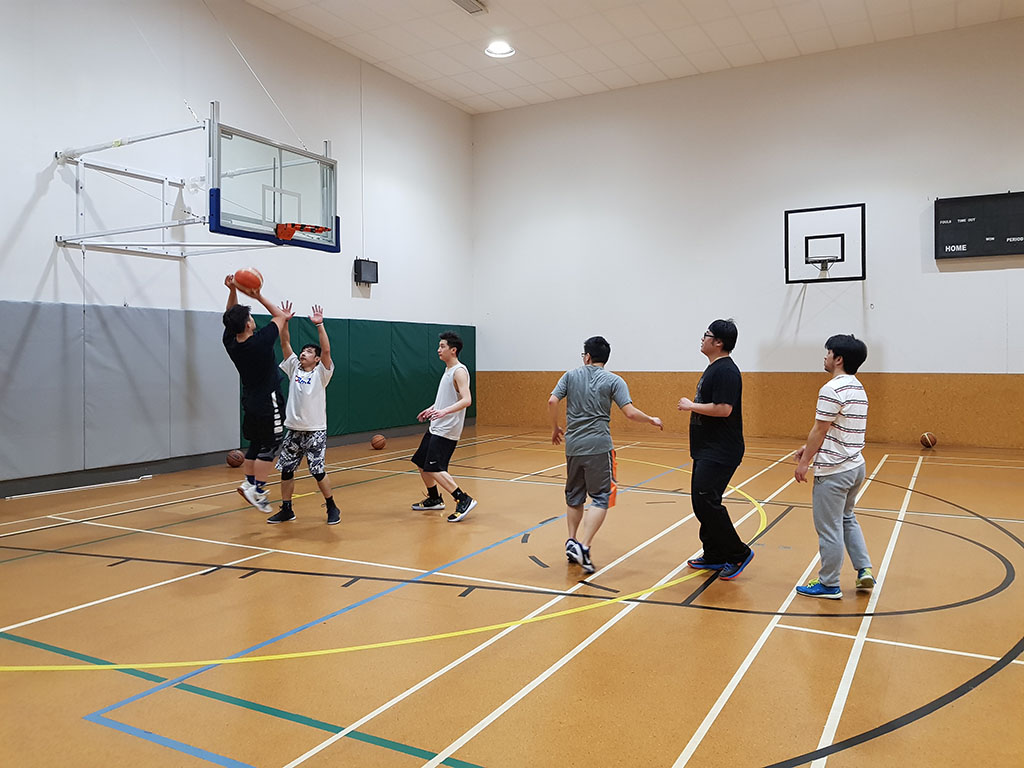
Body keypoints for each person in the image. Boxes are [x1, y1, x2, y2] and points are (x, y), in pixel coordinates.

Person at [548, 336, 663, 574]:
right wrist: (650, 419)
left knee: (574, 496)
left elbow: (552, 400)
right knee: (601, 497)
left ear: (587, 356)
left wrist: (555, 427)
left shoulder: (570, 376)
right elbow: (630, 413)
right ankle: (584, 546)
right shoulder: (614, 381)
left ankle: (571, 540)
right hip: (599, 446)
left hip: (573, 446)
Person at [794, 334, 873, 599]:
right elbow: (839, 429)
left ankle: (829, 584)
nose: (825, 356)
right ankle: (864, 569)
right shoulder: (858, 388)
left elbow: (820, 428)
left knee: (829, 528)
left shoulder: (831, 389)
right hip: (856, 467)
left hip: (834, 471)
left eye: (828, 352)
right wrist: (809, 448)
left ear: (838, 359)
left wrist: (805, 462)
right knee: (847, 518)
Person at [678, 318, 753, 580]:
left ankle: (738, 553)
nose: (702, 338)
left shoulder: (726, 371)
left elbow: (724, 409)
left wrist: (691, 406)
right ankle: (714, 554)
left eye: (707, 334)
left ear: (719, 342)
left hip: (721, 450)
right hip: (706, 448)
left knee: (706, 501)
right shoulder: (714, 368)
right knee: (702, 502)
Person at [267, 304, 341, 525]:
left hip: (315, 430)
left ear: (316, 359)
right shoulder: (294, 368)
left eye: (309, 352)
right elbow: (285, 343)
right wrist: (285, 322)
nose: (303, 353)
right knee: (286, 470)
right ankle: (287, 509)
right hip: (293, 430)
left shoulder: (322, 373)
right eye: (303, 351)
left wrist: (319, 325)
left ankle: (332, 506)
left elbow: (326, 351)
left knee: (317, 471)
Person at [222, 275, 289, 514]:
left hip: (250, 401)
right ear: (248, 325)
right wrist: (258, 295)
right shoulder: (260, 342)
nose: (252, 320)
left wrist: (232, 290)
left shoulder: (230, 341)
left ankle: (249, 483)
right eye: (250, 318)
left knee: (256, 443)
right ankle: (258, 489)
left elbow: (230, 316)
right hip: (268, 401)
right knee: (271, 445)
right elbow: (280, 316)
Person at [410, 331, 477, 522]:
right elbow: (447, 398)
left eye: (442, 346)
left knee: (434, 467)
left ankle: (463, 499)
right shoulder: (448, 370)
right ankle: (434, 498)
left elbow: (467, 400)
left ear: (453, 350)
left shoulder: (459, 371)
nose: (438, 349)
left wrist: (444, 412)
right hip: (436, 425)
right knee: (421, 462)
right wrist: (432, 409)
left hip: (447, 429)